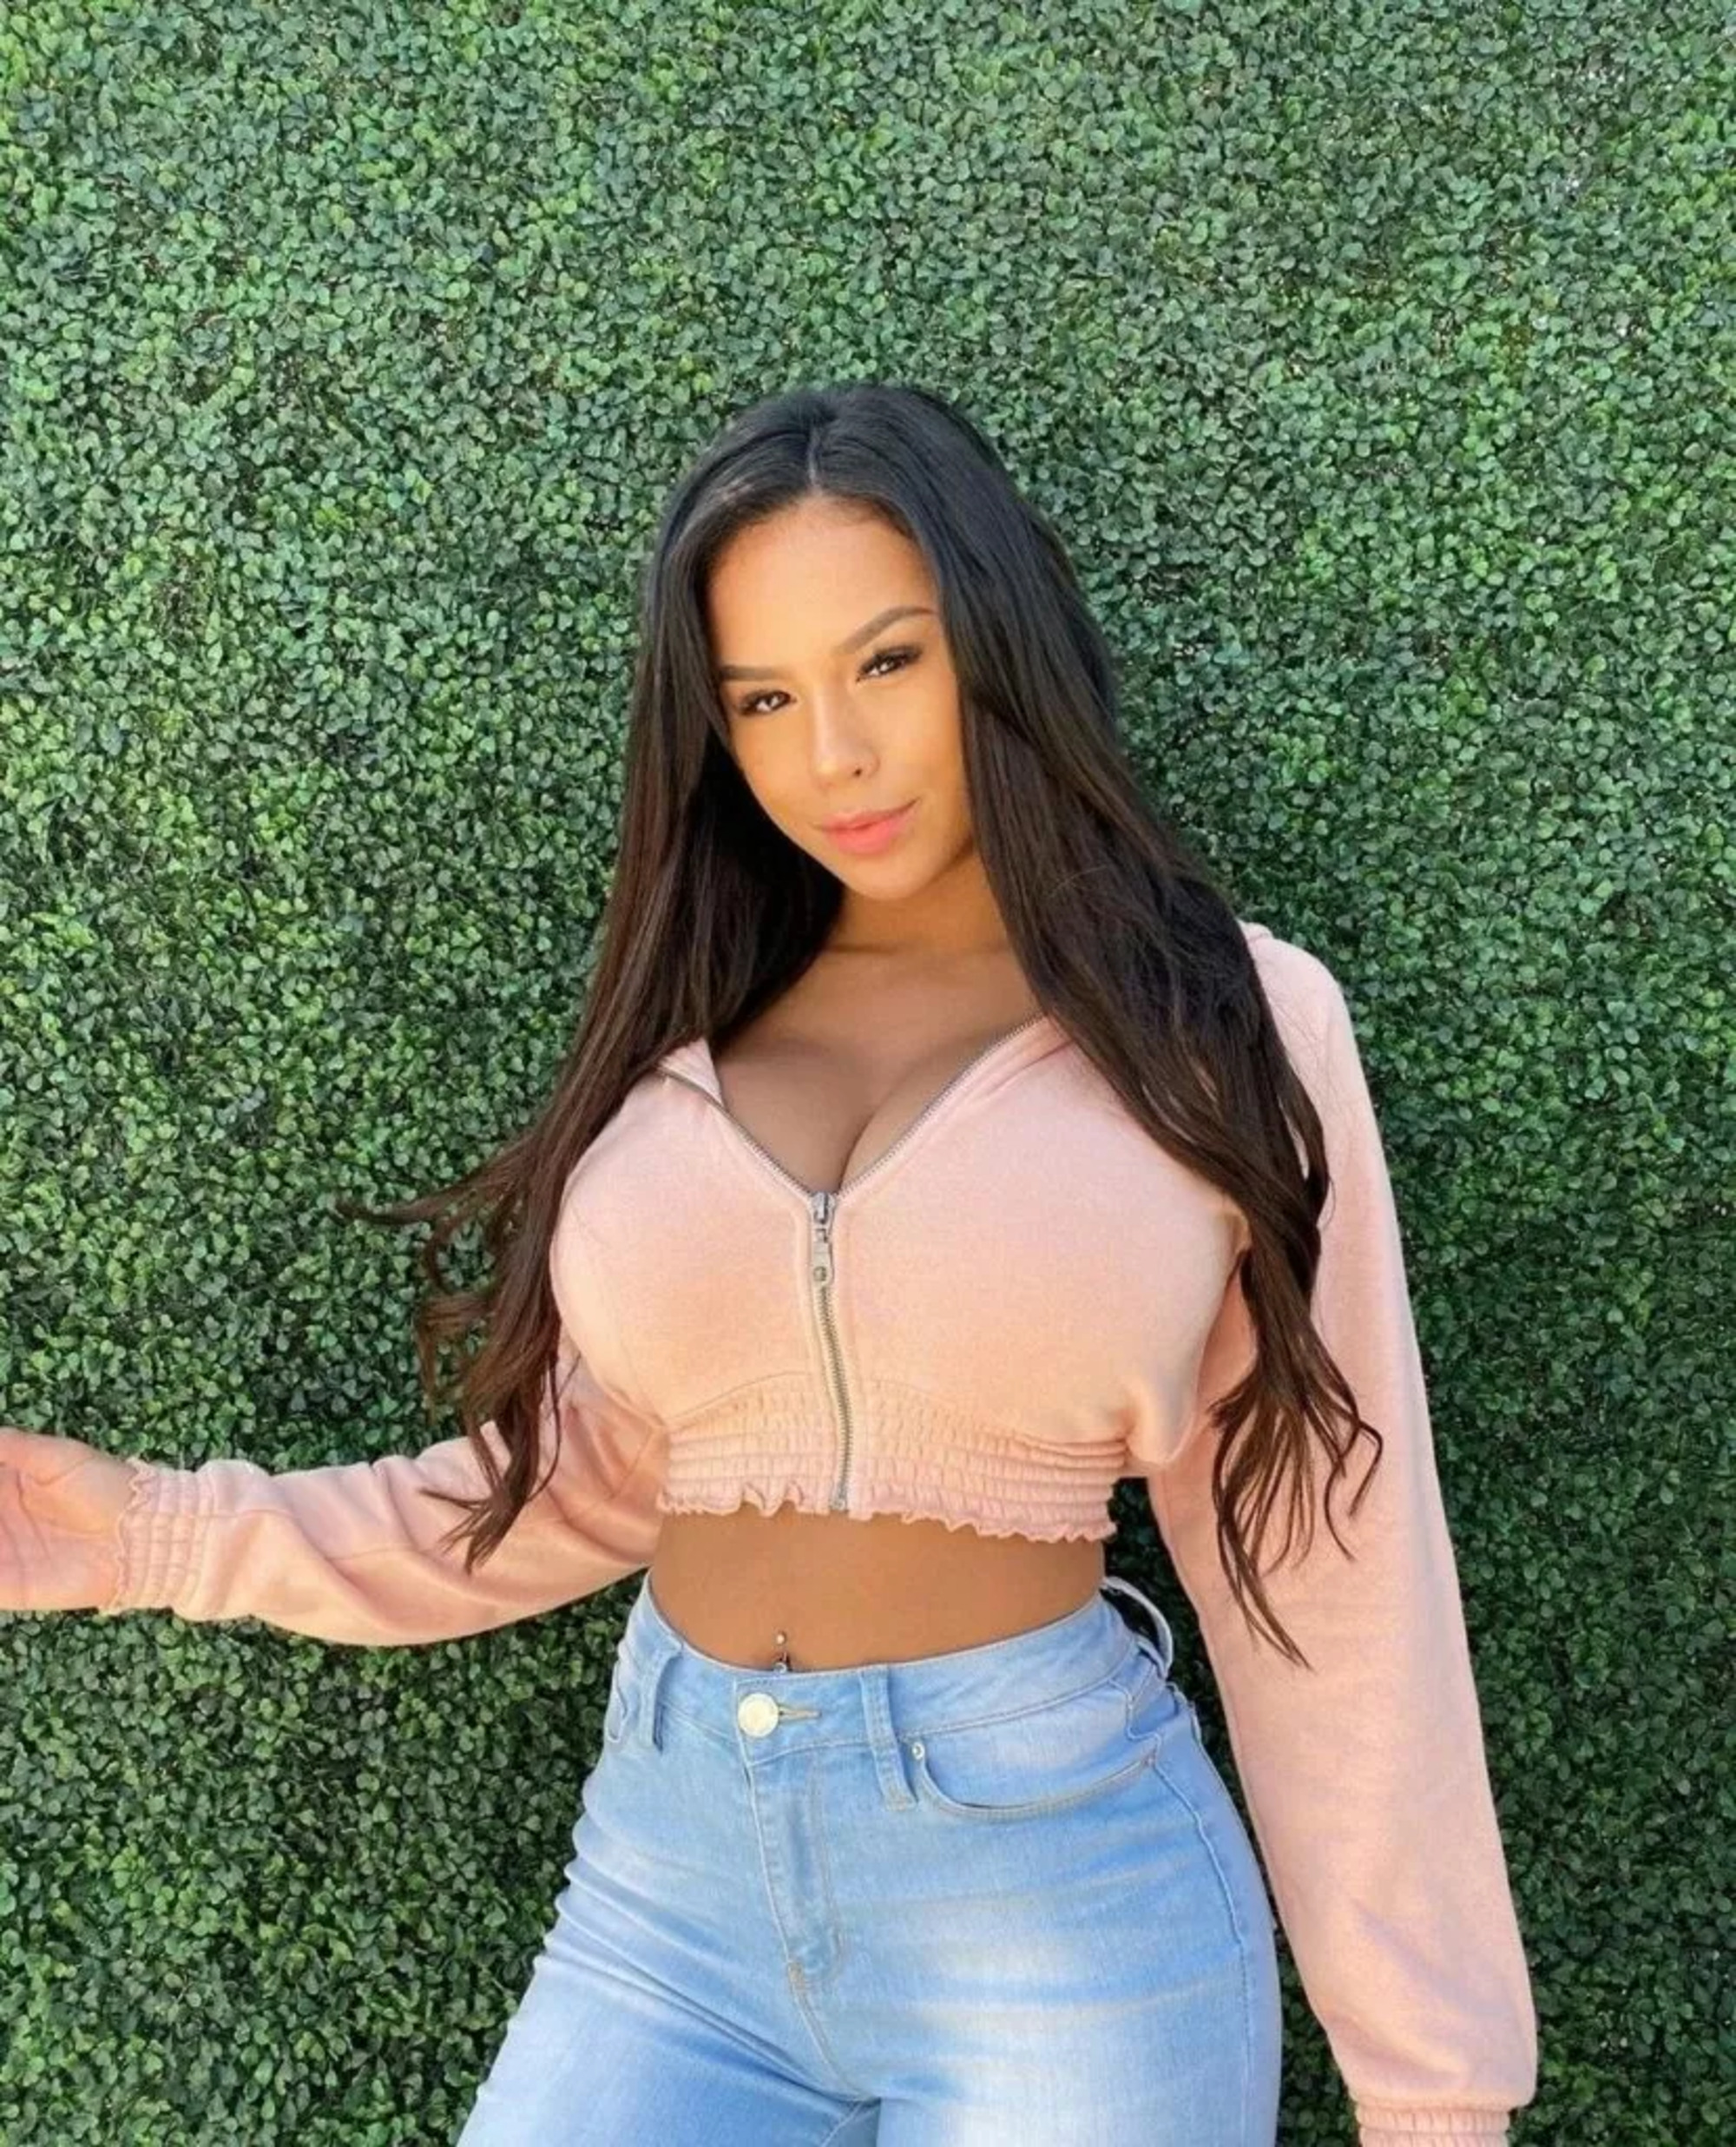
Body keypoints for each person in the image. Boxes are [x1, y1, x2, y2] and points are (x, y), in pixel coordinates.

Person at [0, 381, 1537, 2145]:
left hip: (1060, 1904)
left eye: (887, 661)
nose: (835, 756)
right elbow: (581, 1488)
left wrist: (1434, 2096)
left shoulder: (1225, 1026)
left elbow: (1330, 1565)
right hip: (670, 1893)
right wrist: (145, 1534)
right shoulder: (689, 1038)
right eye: (763, 698)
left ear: (996, 642)